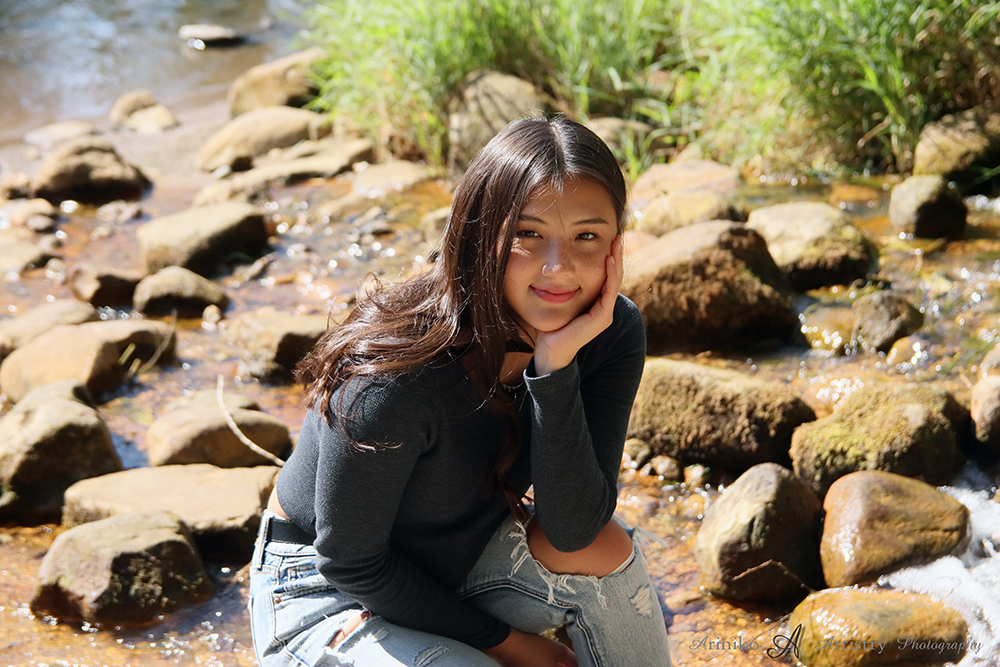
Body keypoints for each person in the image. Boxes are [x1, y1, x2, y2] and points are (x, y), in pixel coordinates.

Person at [248, 116, 672, 667]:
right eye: (528, 234)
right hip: (328, 591)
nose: (558, 267)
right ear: (479, 232)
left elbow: (573, 532)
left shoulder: (608, 333)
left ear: (617, 243)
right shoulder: (396, 373)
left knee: (608, 552)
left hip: (458, 556)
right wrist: (516, 647)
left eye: (586, 236)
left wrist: (555, 366)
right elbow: (351, 563)